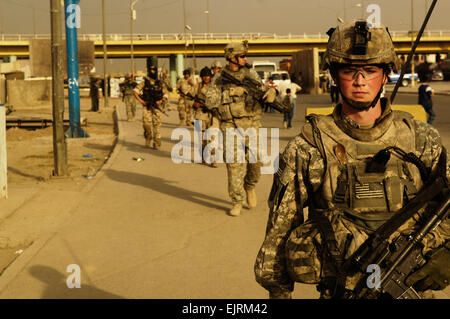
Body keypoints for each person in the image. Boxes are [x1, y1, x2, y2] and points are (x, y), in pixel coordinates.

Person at [254, 20, 449, 299]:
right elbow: (280, 231)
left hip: (410, 287)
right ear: (334, 75)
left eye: (370, 70)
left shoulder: (421, 140)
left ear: (385, 75)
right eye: (349, 71)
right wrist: (278, 292)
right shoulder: (309, 147)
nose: (360, 80)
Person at [205, 40, 276, 217]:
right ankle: (237, 201)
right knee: (234, 164)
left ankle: (249, 186)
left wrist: (270, 94)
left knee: (256, 161)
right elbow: (209, 101)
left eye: (245, 56)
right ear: (232, 57)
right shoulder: (220, 78)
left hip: (252, 123)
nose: (245, 58)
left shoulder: (250, 73)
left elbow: (260, 90)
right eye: (242, 56)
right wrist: (229, 93)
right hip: (230, 125)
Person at [134, 65, 168, 149]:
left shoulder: (160, 83)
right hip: (147, 106)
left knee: (157, 125)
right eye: (151, 70)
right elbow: (135, 91)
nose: (153, 72)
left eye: (154, 70)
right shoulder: (144, 83)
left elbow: (166, 94)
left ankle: (157, 143)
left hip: (157, 107)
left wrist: (161, 101)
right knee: (146, 124)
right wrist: (142, 101)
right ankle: (148, 137)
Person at [193, 67, 219, 168]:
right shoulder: (198, 86)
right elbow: (190, 97)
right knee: (202, 138)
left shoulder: (215, 86)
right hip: (201, 114)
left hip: (213, 115)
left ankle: (214, 159)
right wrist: (195, 104)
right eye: (204, 76)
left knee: (213, 138)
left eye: (207, 76)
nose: (206, 78)